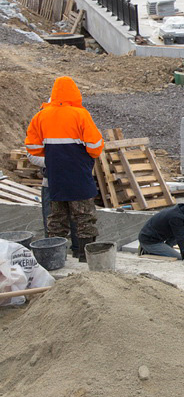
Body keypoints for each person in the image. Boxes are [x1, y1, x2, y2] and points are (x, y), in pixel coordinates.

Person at [25, 77, 104, 260]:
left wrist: (55, 162)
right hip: (79, 178)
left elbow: (32, 152)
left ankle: (55, 257)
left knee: (56, 221)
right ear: (75, 94)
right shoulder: (80, 115)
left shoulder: (40, 116)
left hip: (54, 180)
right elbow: (95, 147)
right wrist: (75, 159)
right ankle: (83, 256)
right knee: (85, 218)